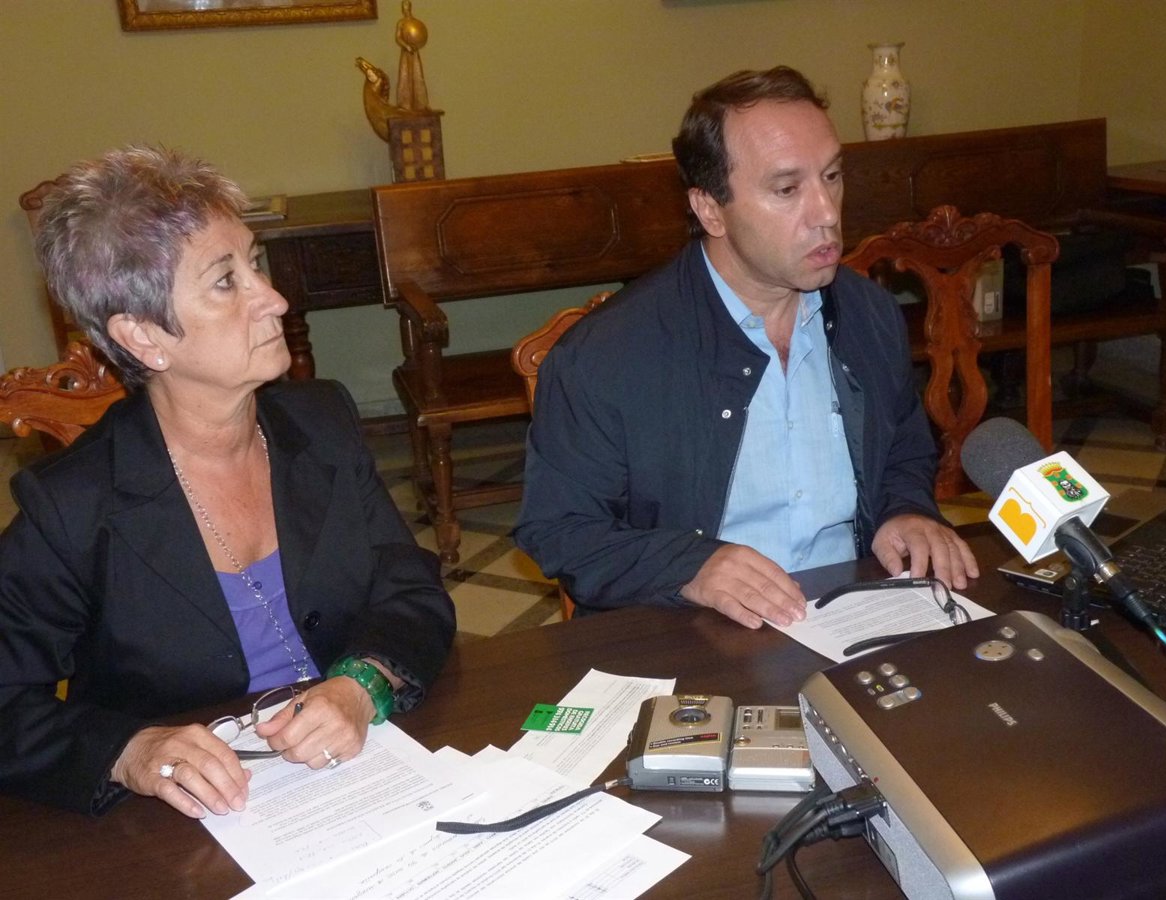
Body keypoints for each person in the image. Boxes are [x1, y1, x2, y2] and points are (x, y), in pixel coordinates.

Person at [0, 146, 456, 818]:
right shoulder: (71, 504)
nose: (274, 299)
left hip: (364, 774)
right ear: (143, 337)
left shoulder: (321, 421)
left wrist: (362, 683)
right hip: (193, 821)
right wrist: (129, 751)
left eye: (255, 264)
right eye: (224, 281)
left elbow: (410, 587)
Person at [514, 66, 978, 628]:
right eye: (787, 189)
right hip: (691, 632)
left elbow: (903, 451)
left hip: (850, 609)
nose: (826, 213)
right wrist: (691, 566)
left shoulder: (869, 315)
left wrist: (904, 511)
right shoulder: (605, 355)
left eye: (832, 176)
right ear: (710, 209)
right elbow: (561, 532)